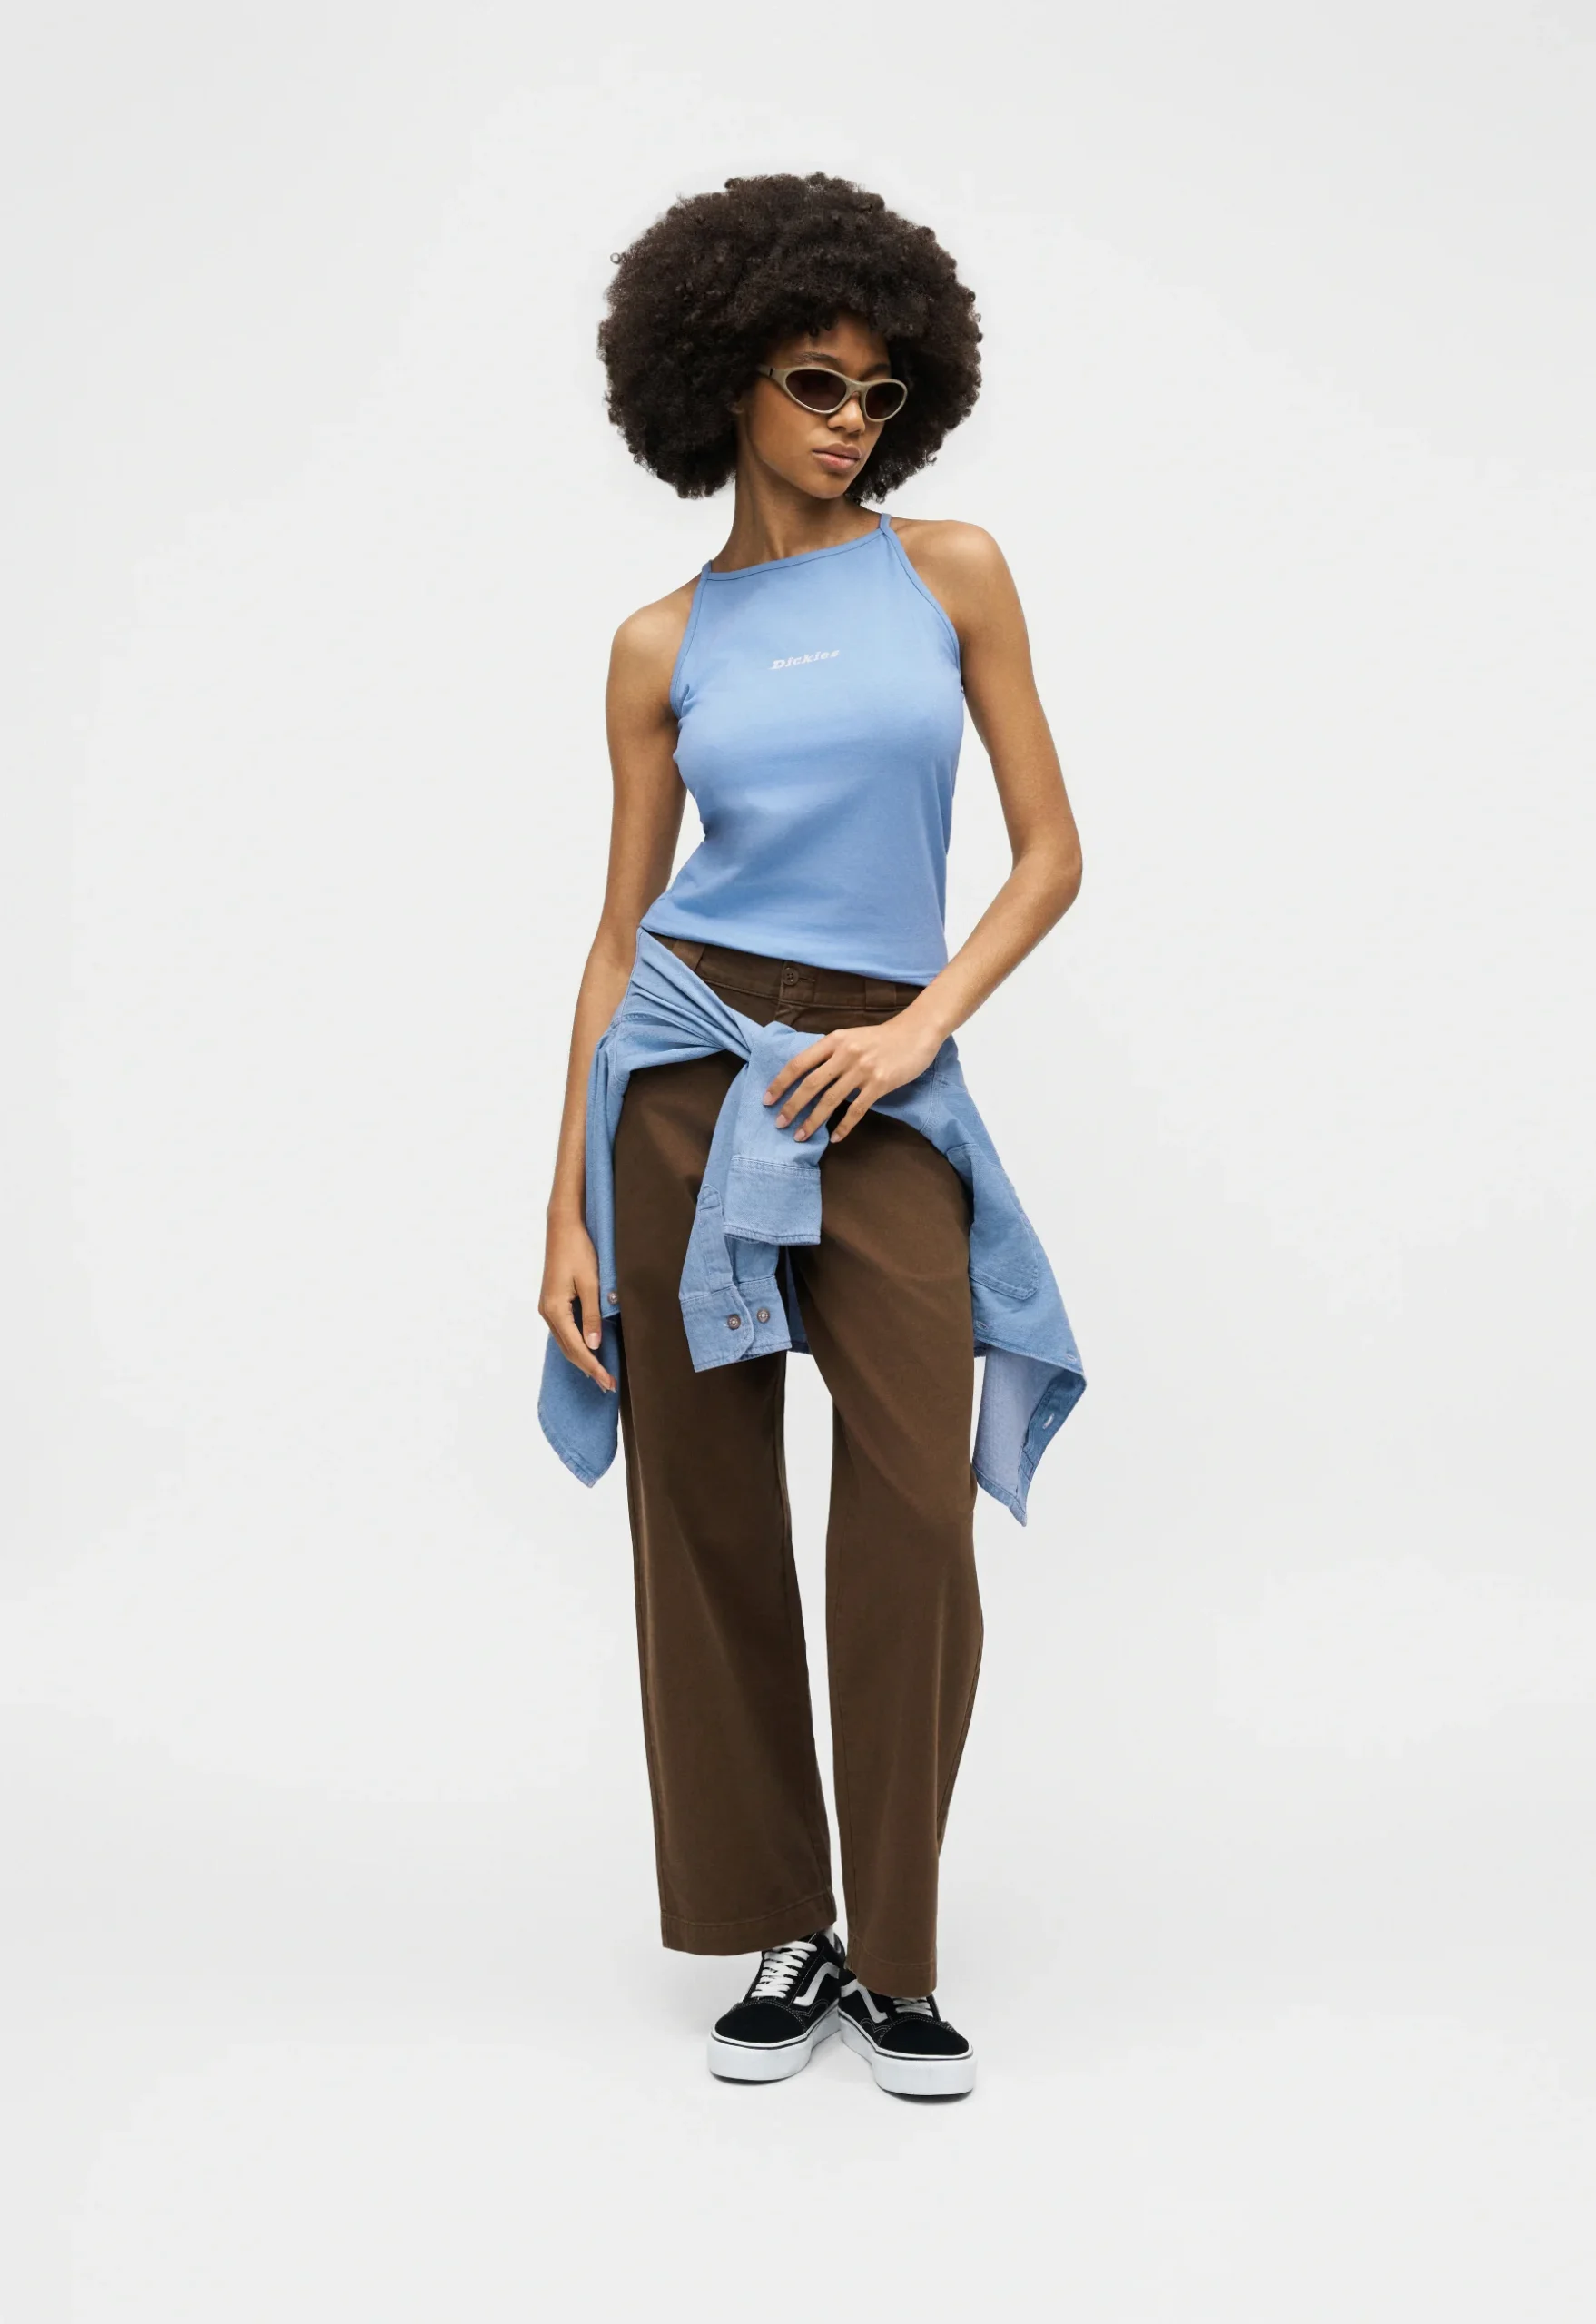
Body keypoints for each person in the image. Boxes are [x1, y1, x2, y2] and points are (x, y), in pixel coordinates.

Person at [538, 172, 1085, 2102]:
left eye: (878, 388)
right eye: (814, 383)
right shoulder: (656, 642)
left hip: (872, 1071)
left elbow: (1049, 854)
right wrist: (565, 1211)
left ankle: (899, 1947)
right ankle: (788, 1917)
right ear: (721, 385)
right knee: (702, 1507)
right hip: (684, 1072)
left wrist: (919, 1029)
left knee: (914, 1499)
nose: (854, 419)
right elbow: (619, 937)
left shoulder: (952, 572)